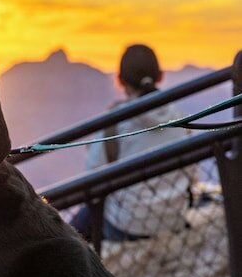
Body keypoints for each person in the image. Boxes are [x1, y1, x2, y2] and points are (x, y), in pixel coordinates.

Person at [71, 43, 194, 242]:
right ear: (160, 76)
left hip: (126, 227)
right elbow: (192, 173)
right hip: (174, 220)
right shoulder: (181, 119)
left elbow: (93, 176)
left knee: (78, 224)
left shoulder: (114, 123)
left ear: (120, 80)